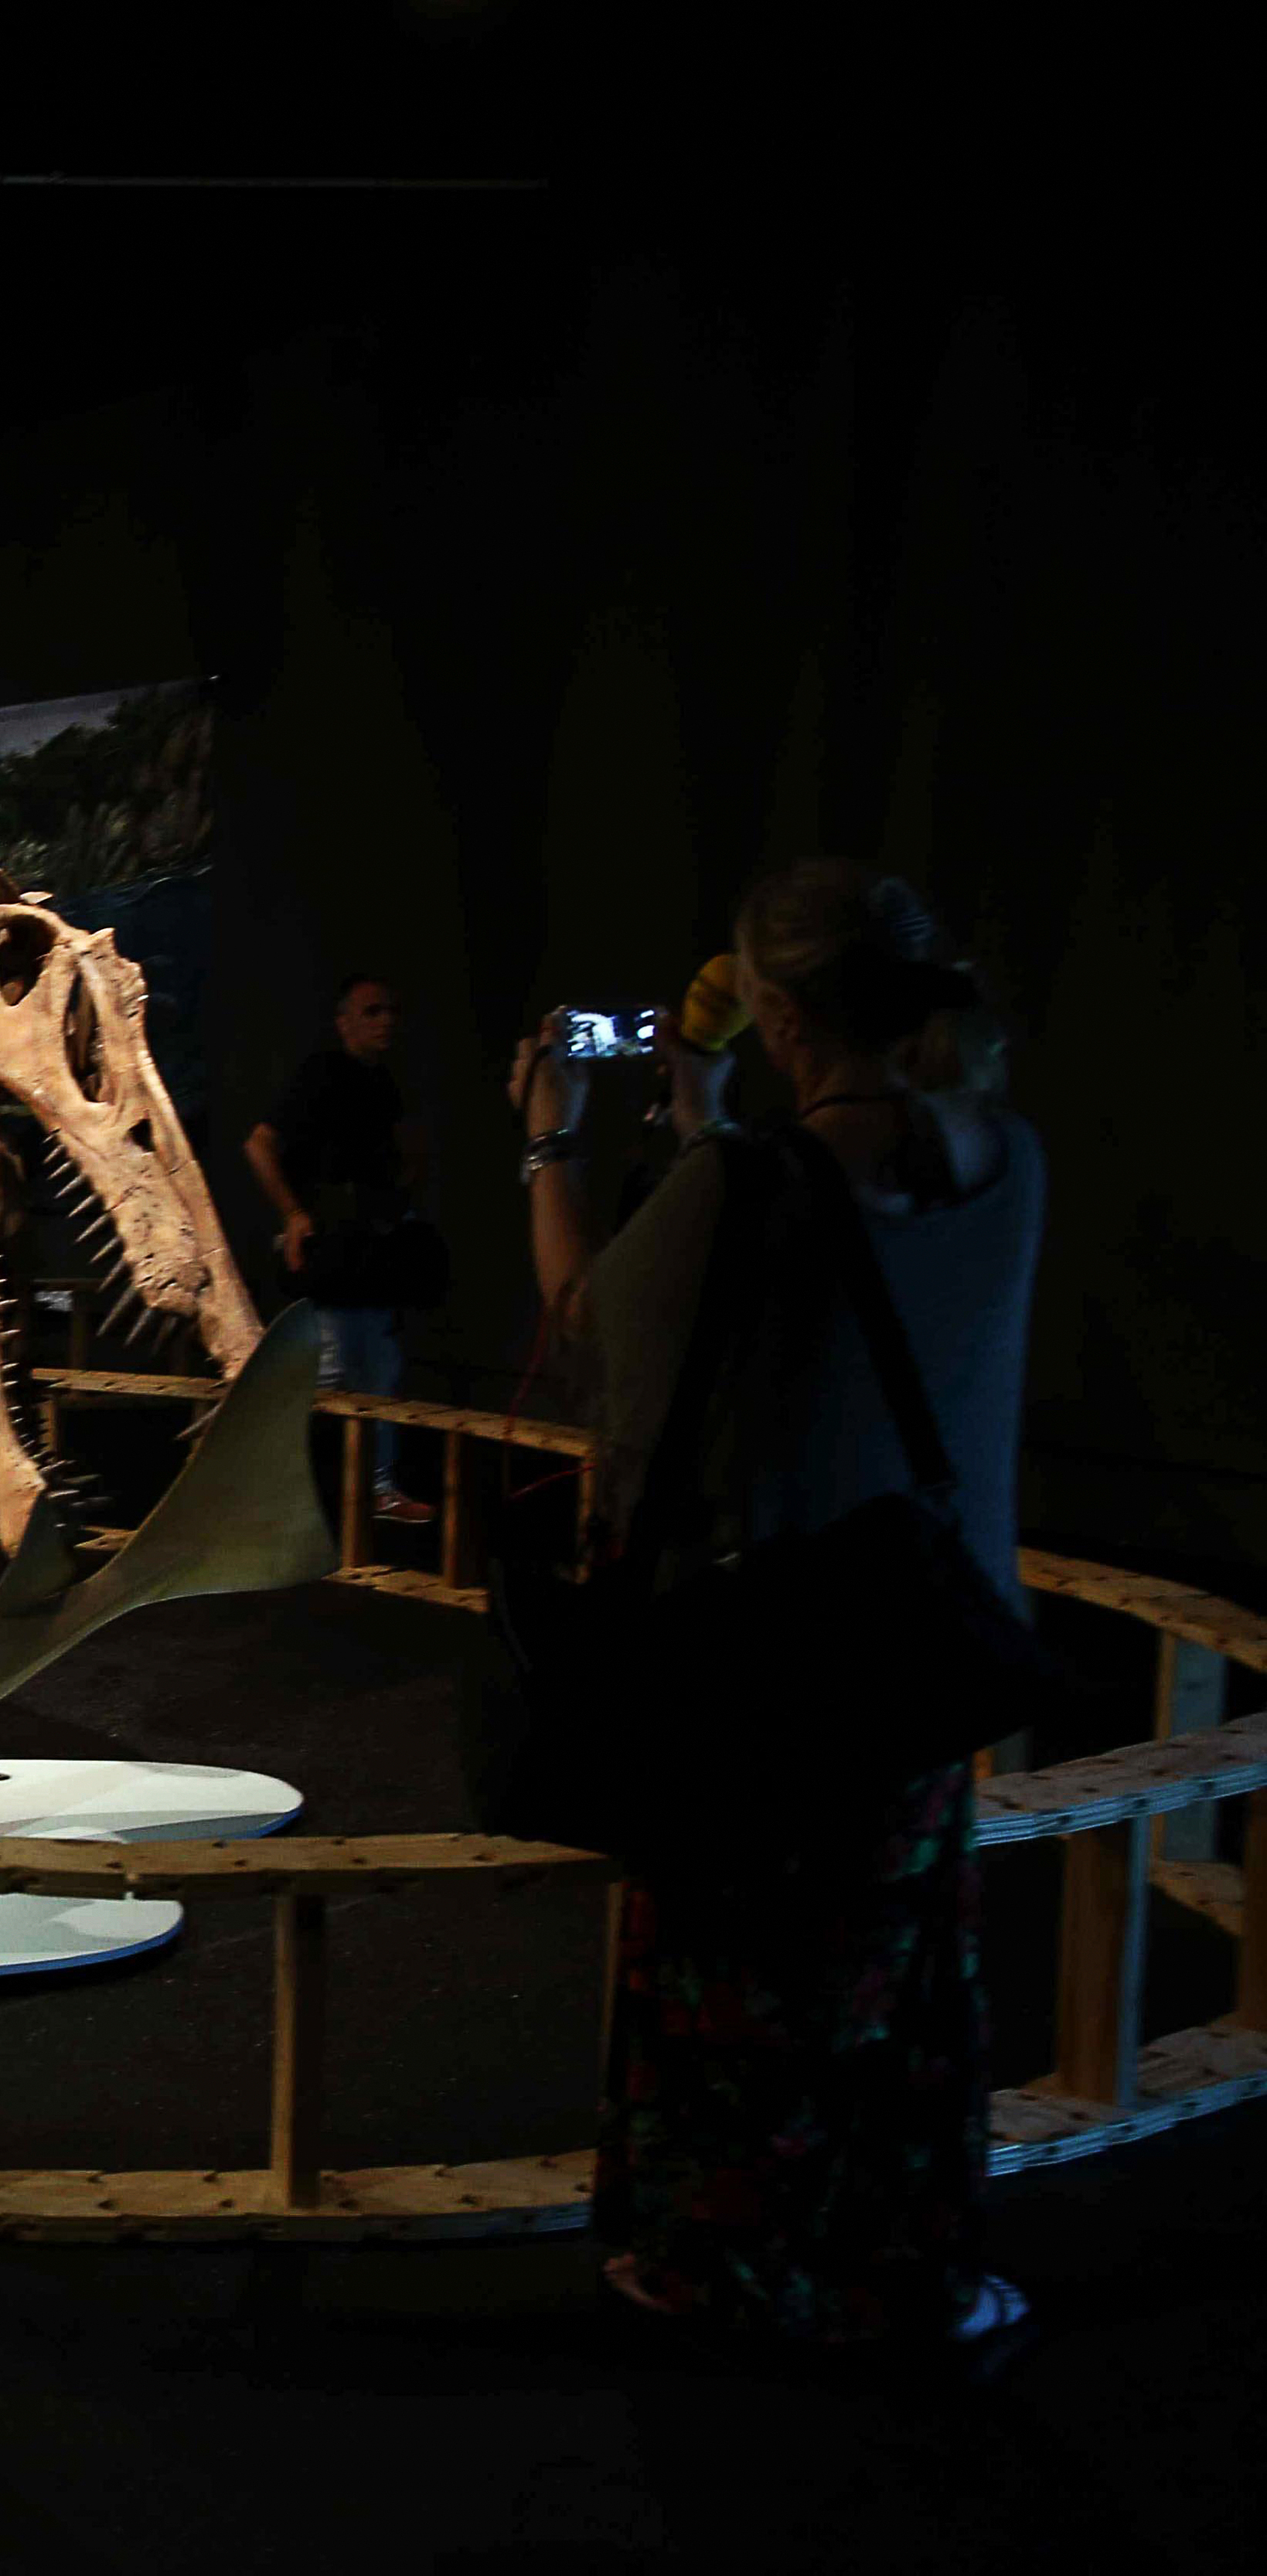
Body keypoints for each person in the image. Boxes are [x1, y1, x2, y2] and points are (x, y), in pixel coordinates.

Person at [512, 859, 1039, 2354]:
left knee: (739, 1986)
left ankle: (715, 2271)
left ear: (784, 1014)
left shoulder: (741, 1189)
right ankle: (909, 2266)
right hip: (925, 1652)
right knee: (898, 1978)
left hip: (762, 1665)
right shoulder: (1008, 1157)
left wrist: (550, 1145)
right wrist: (708, 1129)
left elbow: (593, 1326)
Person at [244, 972, 435, 1524]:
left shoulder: (383, 1084)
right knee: (328, 1371)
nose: (386, 1021)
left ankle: (376, 1488)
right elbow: (258, 1145)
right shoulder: (322, 1074)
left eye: (391, 1010)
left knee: (373, 1368)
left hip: (365, 1251)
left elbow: (400, 1157)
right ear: (344, 1020)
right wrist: (296, 1215)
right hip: (332, 1252)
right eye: (372, 1011)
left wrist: (400, 1201)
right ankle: (252, 1480)